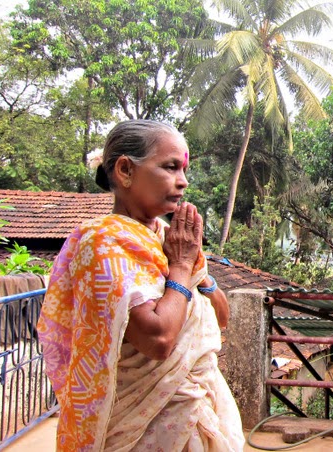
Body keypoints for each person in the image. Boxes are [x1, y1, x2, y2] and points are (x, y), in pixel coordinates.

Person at [37, 120, 245, 451]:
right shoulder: (102, 243)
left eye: (184, 169)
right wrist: (181, 267)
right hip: (139, 428)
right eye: (171, 167)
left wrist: (196, 268)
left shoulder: (168, 239)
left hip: (195, 407)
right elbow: (157, 340)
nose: (183, 181)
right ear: (125, 170)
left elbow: (220, 317)